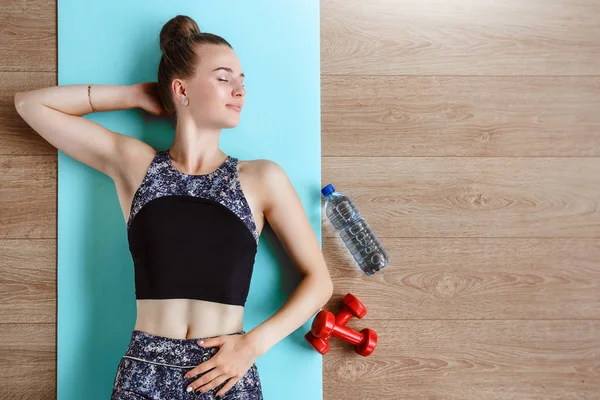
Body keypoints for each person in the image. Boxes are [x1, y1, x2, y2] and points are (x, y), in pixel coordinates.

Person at [14, 14, 333, 400]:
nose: (239, 90)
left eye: (242, 80)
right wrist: (133, 95)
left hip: (225, 373)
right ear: (182, 89)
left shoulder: (261, 178)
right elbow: (30, 105)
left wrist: (251, 346)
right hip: (144, 372)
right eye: (223, 77)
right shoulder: (137, 166)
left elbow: (319, 282)